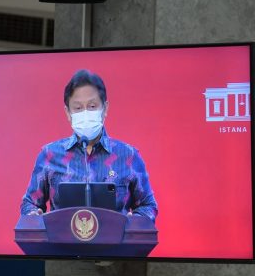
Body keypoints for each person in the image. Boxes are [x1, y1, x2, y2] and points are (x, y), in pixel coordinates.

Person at [20, 69, 158, 221]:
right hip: (61, 244)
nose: (85, 113)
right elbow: (30, 203)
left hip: (115, 244)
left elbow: (148, 205)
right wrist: (33, 215)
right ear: (67, 112)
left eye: (92, 106)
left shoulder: (128, 156)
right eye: (78, 108)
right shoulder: (50, 155)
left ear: (105, 108)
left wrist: (137, 220)